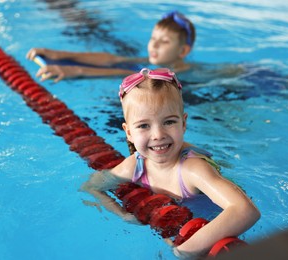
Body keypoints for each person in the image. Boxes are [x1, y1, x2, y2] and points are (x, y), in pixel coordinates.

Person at [81, 68, 261, 258]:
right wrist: (122, 214)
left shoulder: (193, 170)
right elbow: (91, 186)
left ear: (183, 124)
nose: (158, 135)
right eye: (143, 125)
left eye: (169, 122)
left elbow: (245, 210)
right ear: (128, 133)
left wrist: (184, 251)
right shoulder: (134, 166)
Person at [26, 11, 196, 82]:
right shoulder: (154, 60)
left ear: (183, 51)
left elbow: (128, 74)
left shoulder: (172, 74)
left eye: (164, 41)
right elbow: (113, 59)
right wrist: (59, 55)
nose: (154, 45)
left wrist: (75, 70)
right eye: (153, 38)